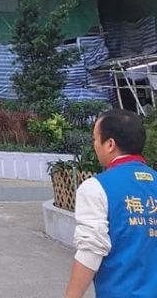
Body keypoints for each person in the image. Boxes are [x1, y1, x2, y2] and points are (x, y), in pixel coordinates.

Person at [64, 108, 157, 298]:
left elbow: (91, 251)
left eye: (95, 139)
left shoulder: (96, 188)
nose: (94, 145)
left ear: (110, 144)